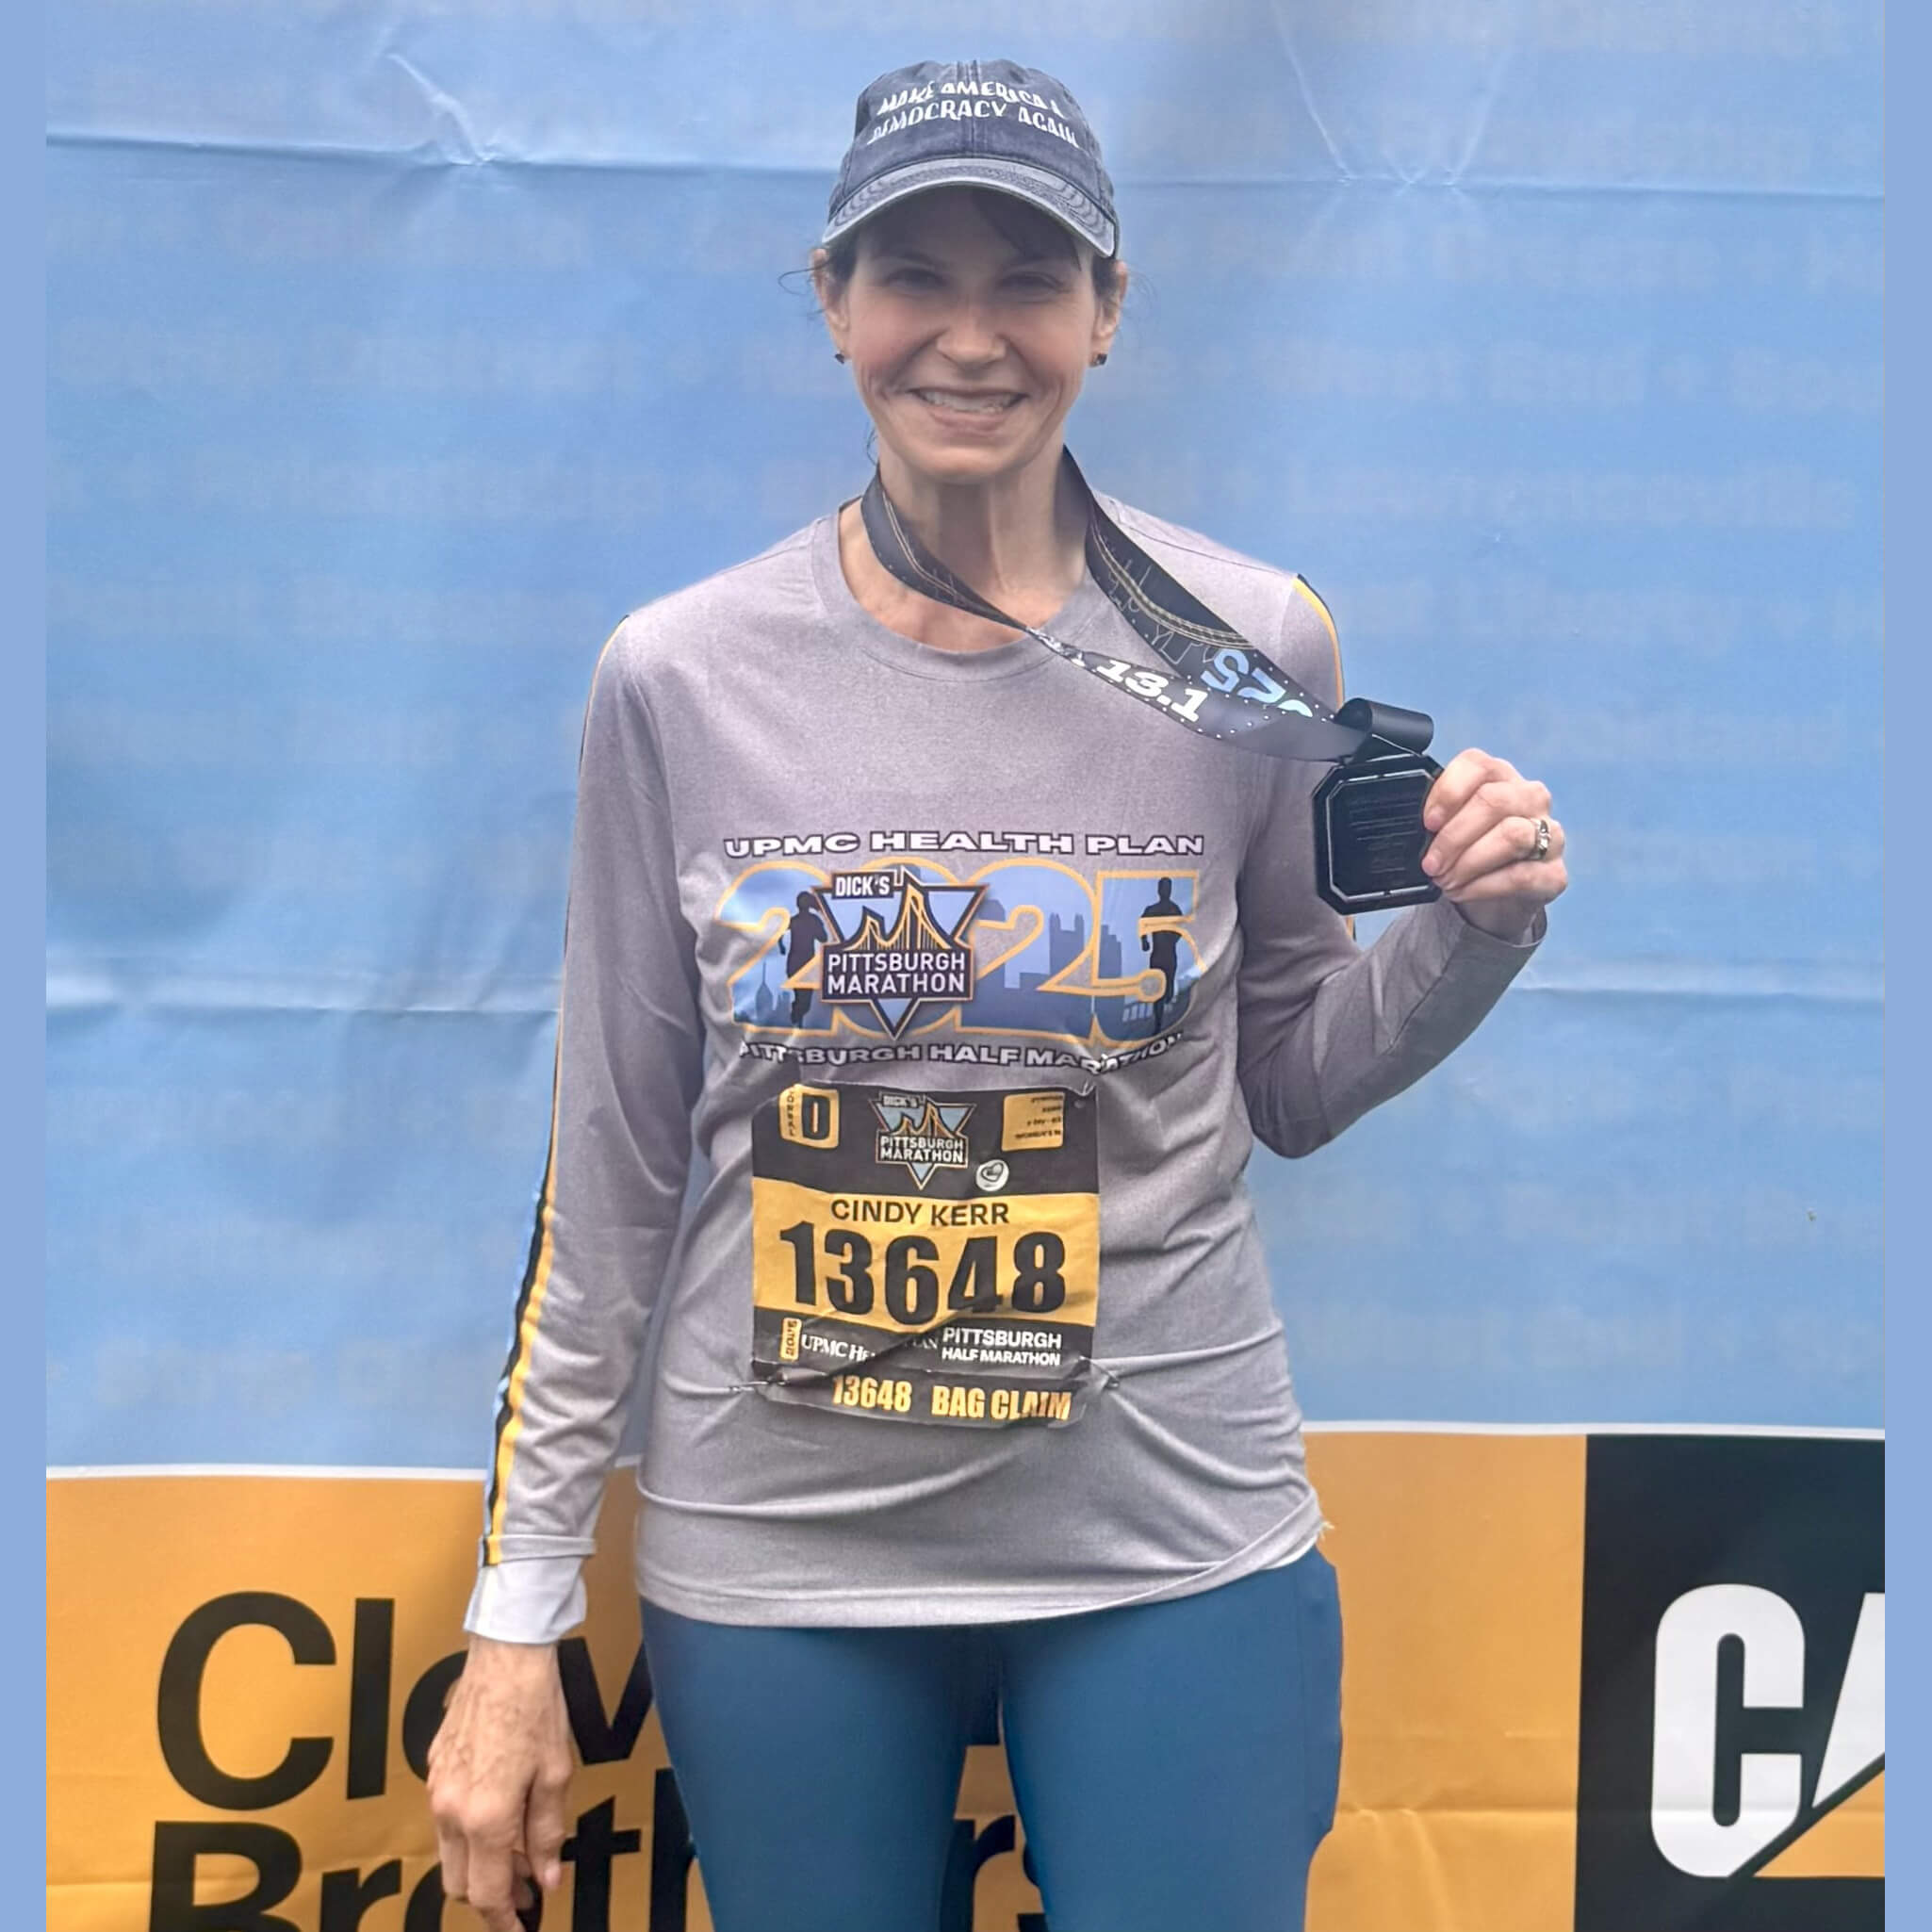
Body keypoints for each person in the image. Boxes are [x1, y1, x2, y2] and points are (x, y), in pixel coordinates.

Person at [427, 57, 1567, 1932]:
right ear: (832, 301)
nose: (968, 337)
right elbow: (612, 1179)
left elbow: (1290, 1078)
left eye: (1027, 279)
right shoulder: (680, 676)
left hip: (1166, 1534)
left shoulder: (1248, 650)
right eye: (911, 275)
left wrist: (1471, 929)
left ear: (1106, 311)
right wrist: (515, 1613)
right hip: (781, 1558)